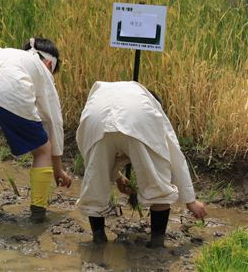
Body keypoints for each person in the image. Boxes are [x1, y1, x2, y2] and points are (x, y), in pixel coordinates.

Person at [75, 81, 207, 247]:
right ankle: (157, 243)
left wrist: (117, 177)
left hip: (95, 119)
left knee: (96, 183)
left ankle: (99, 240)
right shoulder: (149, 107)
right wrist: (190, 200)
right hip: (138, 119)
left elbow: (95, 161)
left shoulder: (106, 90)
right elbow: (175, 154)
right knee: (158, 185)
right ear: (156, 105)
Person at [0, 38, 72, 223]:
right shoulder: (41, 68)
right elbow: (53, 122)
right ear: (50, 64)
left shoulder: (3, 53)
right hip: (9, 92)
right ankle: (38, 215)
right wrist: (58, 170)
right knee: (43, 150)